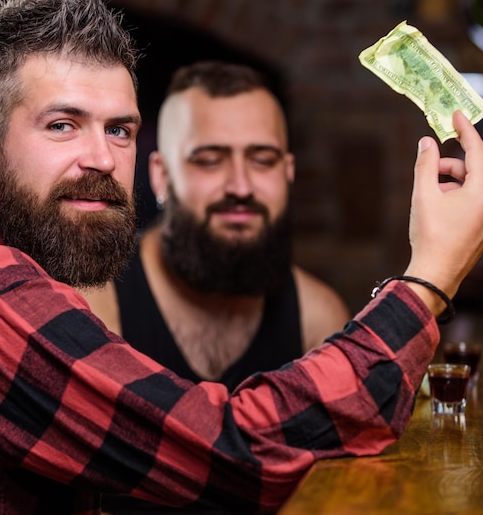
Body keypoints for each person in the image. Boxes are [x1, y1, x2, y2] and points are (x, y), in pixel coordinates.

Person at [0, 0, 483, 515]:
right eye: (62, 125)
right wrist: (428, 280)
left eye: (119, 130)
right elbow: (233, 453)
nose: (103, 160)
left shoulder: (18, 268)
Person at [83, 61, 351, 396]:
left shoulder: (317, 318)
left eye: (263, 160)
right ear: (160, 175)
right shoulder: (95, 304)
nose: (240, 186)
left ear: (288, 173)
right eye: (209, 160)